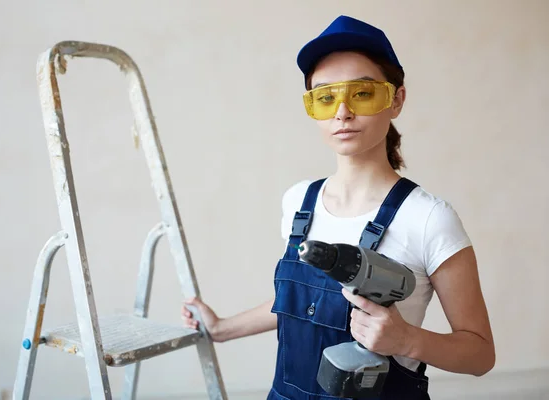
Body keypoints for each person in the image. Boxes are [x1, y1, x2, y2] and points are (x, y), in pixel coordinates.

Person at [181, 15, 495, 399]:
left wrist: (407, 340)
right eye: (326, 97)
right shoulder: (299, 202)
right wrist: (221, 328)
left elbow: (480, 354)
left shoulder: (429, 218)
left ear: (396, 99)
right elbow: (299, 303)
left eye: (362, 94)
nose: (342, 112)